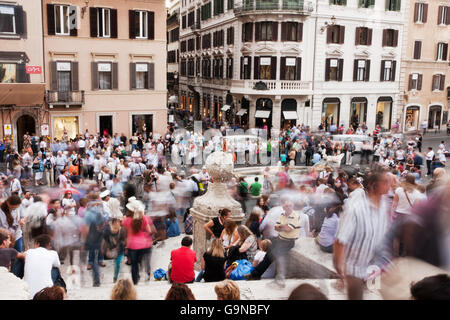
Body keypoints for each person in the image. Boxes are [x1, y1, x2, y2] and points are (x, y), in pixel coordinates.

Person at [333, 171, 391, 300]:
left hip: (374, 267)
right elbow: (340, 240)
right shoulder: (355, 209)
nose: (389, 185)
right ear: (373, 185)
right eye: (385, 182)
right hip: (354, 270)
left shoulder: (383, 206)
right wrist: (340, 269)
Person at [246, 198, 301, 287]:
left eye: (290, 206)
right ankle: (255, 274)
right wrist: (283, 227)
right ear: (283, 207)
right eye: (286, 206)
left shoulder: (295, 216)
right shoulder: (282, 215)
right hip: (280, 239)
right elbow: (276, 227)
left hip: (288, 242)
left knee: (274, 255)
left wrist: (282, 227)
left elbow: (288, 229)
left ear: (293, 207)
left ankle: (275, 279)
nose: (288, 208)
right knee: (268, 254)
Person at [122, 198, 155, 285]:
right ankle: (147, 275)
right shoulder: (143, 218)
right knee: (145, 261)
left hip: (132, 245)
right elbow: (149, 231)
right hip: (145, 244)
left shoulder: (126, 220)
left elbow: (124, 233)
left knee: (134, 264)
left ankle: (135, 281)